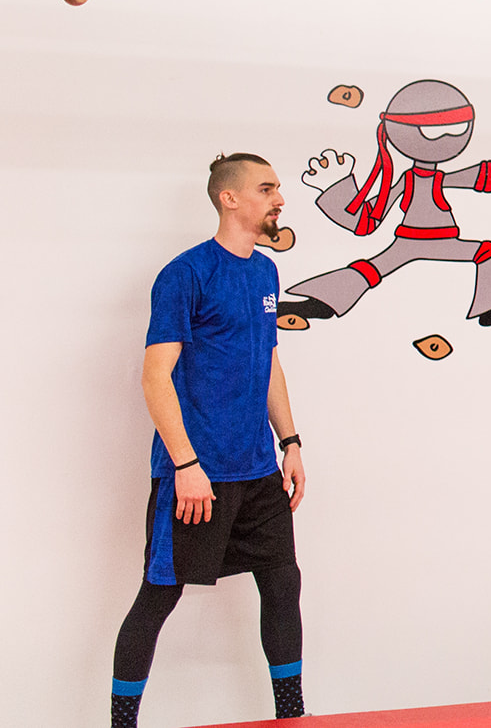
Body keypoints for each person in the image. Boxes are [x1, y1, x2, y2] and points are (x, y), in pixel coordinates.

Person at [110, 153, 308, 725]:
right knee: (159, 594)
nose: (279, 199)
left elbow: (269, 362)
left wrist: (291, 442)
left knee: (282, 583)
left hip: (258, 470)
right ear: (230, 197)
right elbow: (155, 376)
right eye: (267, 189)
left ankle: (292, 716)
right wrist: (185, 465)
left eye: (278, 188)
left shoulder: (265, 272)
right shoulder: (186, 273)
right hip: (198, 474)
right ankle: (121, 723)